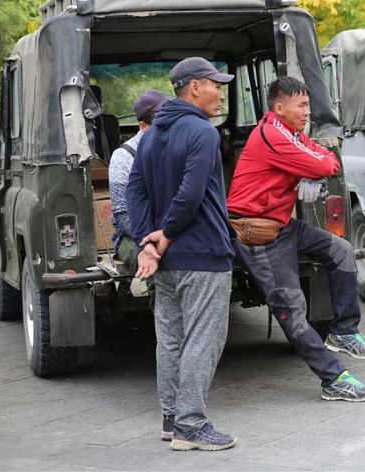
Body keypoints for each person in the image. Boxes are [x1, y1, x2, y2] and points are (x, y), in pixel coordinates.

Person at [227, 76, 365, 402]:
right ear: (279, 107)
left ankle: (344, 332)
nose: (307, 111)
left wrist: (315, 166)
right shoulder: (273, 134)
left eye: (308, 104)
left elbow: (329, 161)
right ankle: (333, 378)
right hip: (261, 233)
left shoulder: (291, 133)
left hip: (282, 226)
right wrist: (314, 168)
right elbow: (323, 163)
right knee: (292, 310)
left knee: (341, 250)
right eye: (301, 105)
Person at [126, 57, 237, 451]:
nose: (221, 93)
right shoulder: (203, 133)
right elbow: (190, 195)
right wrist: (166, 235)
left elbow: (134, 189)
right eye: (215, 85)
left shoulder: (152, 133)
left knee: (171, 339)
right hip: (203, 254)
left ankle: (172, 417)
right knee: (202, 339)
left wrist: (147, 242)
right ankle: (190, 425)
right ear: (193, 88)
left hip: (167, 262)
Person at [109, 90, 168, 264]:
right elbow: (121, 213)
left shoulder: (174, 147)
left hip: (170, 230)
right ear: (143, 127)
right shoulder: (124, 156)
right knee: (158, 258)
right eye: (161, 124)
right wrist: (150, 237)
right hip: (133, 235)